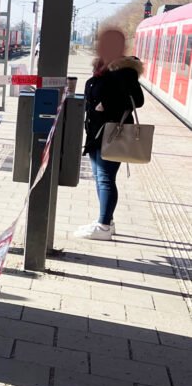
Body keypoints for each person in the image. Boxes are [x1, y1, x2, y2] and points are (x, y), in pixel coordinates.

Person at [74, 28, 143, 241]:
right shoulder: (101, 67)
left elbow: (137, 101)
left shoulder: (124, 69)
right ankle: (107, 221)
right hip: (96, 132)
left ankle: (103, 226)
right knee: (99, 177)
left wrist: (107, 105)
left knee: (105, 178)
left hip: (113, 132)